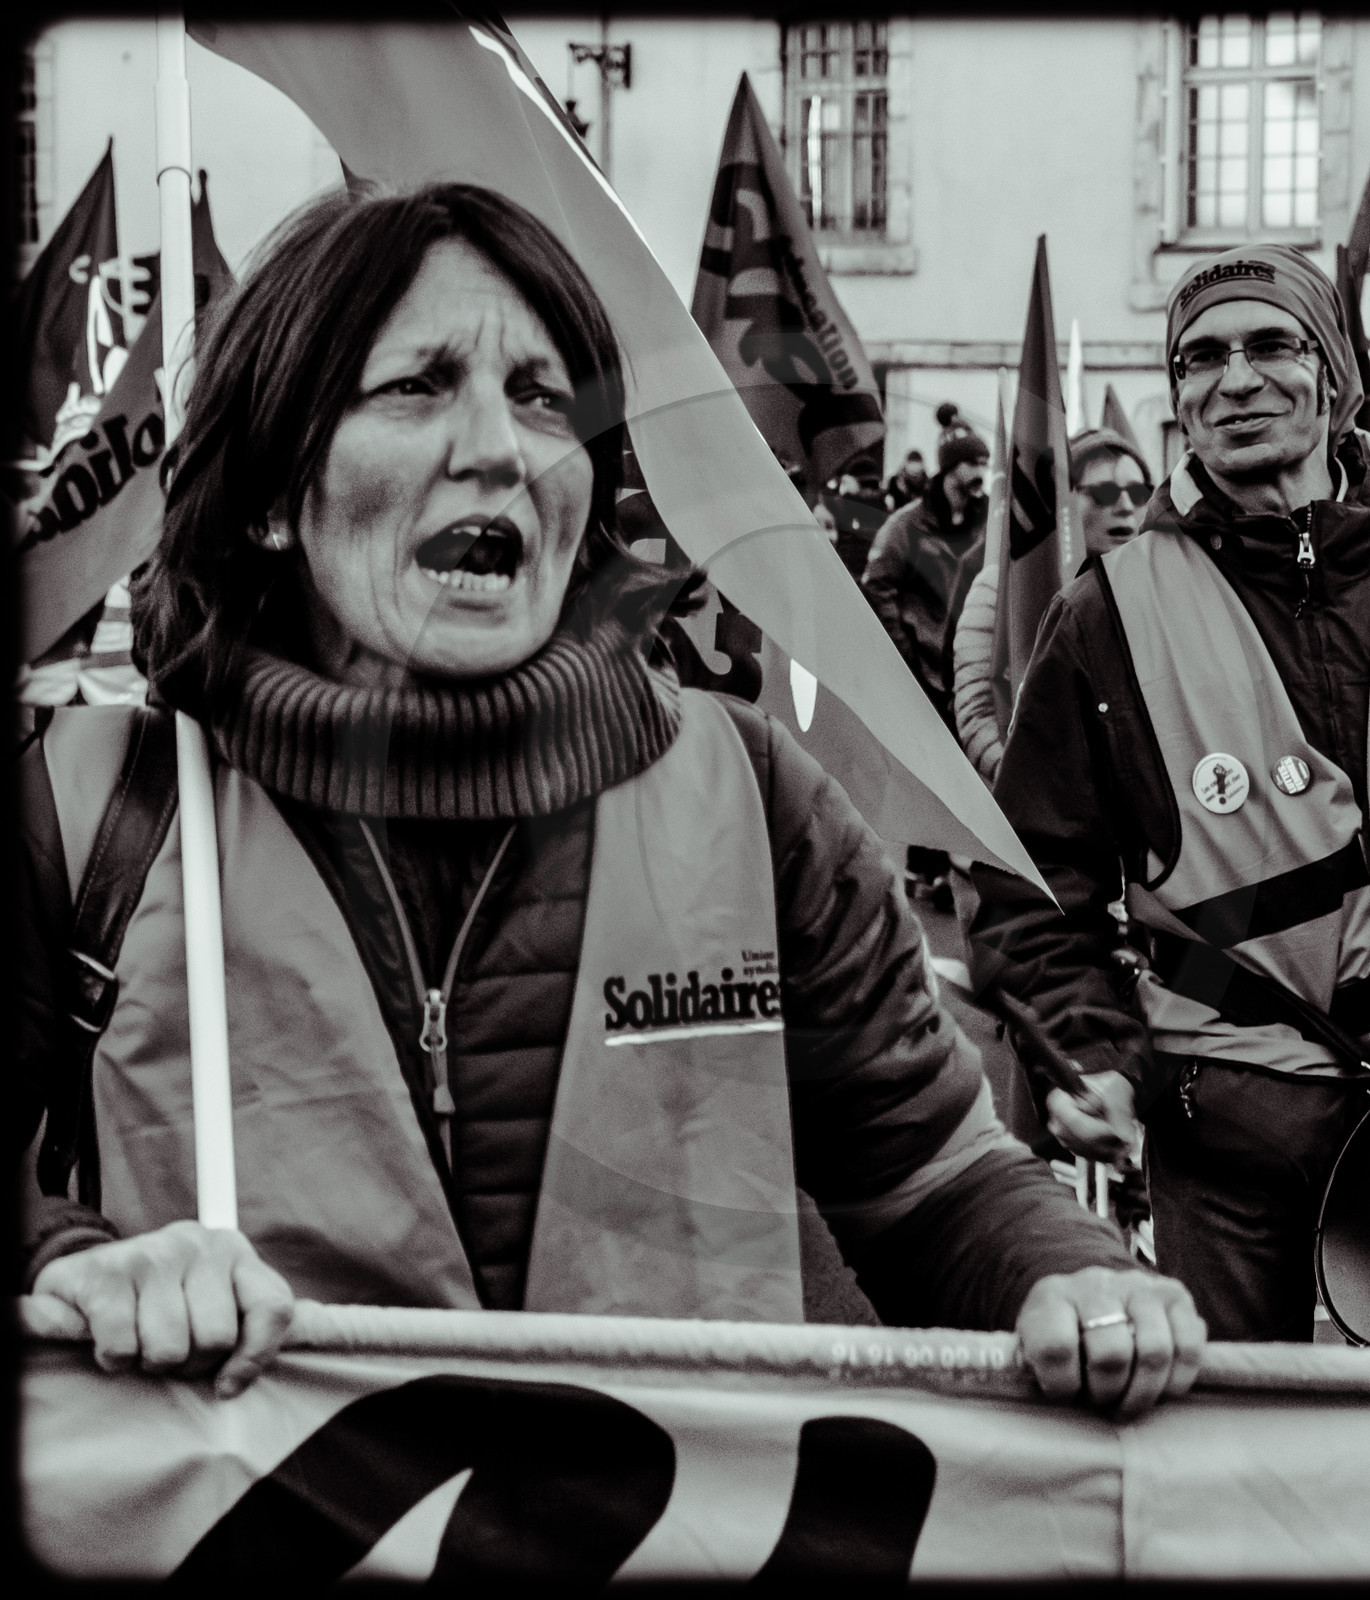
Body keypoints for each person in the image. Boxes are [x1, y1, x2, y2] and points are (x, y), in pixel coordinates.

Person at [16, 183, 1203, 1412]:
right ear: (269, 494)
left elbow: (930, 1177)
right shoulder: (89, 807)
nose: (501, 448)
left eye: (542, 397)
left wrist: (1068, 1275)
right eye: (416, 386)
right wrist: (75, 1265)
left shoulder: (750, 792)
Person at [968, 242, 1370, 1343]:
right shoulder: (1105, 612)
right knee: (1233, 1458)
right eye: (1199, 359)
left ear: (1333, 374)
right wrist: (1096, 1056)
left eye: (1268, 345)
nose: (1234, 380)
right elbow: (1027, 886)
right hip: (1231, 1124)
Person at [948, 428, 1154, 787]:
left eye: (1137, 493)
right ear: (1062, 499)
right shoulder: (1000, 589)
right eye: (1104, 492)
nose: (1124, 506)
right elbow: (977, 714)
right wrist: (1036, 791)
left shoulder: (1160, 589)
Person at [862, 405, 991, 909]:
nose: (979, 472)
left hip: (970, 668)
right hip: (925, 670)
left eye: (983, 462)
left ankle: (951, 867)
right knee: (932, 772)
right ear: (948, 469)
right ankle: (926, 869)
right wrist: (906, 655)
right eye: (969, 463)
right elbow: (878, 587)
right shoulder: (906, 526)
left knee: (969, 771)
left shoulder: (988, 523)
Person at [883, 447, 928, 512]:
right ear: (906, 464)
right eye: (912, 463)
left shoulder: (928, 485)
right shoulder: (894, 482)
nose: (914, 468)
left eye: (917, 463)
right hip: (898, 518)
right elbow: (886, 501)